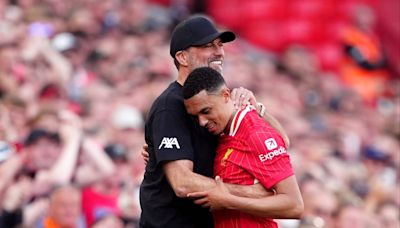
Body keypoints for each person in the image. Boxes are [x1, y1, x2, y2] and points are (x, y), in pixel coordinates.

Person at [139, 15, 289, 228]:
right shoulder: (170, 106)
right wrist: (252, 192)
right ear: (182, 57)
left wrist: (259, 109)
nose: (219, 51)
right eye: (208, 46)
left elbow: (281, 143)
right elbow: (182, 183)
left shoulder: (220, 99)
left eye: (219, 45)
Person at [182, 67, 303, 227]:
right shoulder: (224, 131)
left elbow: (294, 205)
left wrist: (229, 201)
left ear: (226, 95)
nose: (202, 121)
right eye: (196, 115)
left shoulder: (255, 133)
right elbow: (283, 141)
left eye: (206, 111)